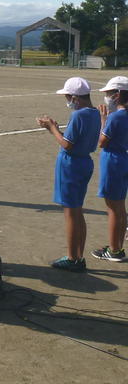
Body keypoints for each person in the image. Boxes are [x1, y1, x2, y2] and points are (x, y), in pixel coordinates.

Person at [36, 77, 100, 272]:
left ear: (75, 97)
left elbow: (67, 144)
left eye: (68, 97)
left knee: (71, 213)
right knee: (78, 211)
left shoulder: (78, 115)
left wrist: (52, 128)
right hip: (84, 161)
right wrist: (56, 130)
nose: (67, 100)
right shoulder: (95, 113)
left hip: (71, 164)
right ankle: (78, 255)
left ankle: (73, 258)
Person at [91, 77, 128, 262]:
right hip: (123, 158)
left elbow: (102, 142)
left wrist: (103, 120)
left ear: (117, 95)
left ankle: (114, 250)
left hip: (112, 160)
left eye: (108, 94)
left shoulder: (116, 117)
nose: (106, 97)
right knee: (120, 206)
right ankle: (117, 246)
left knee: (112, 208)